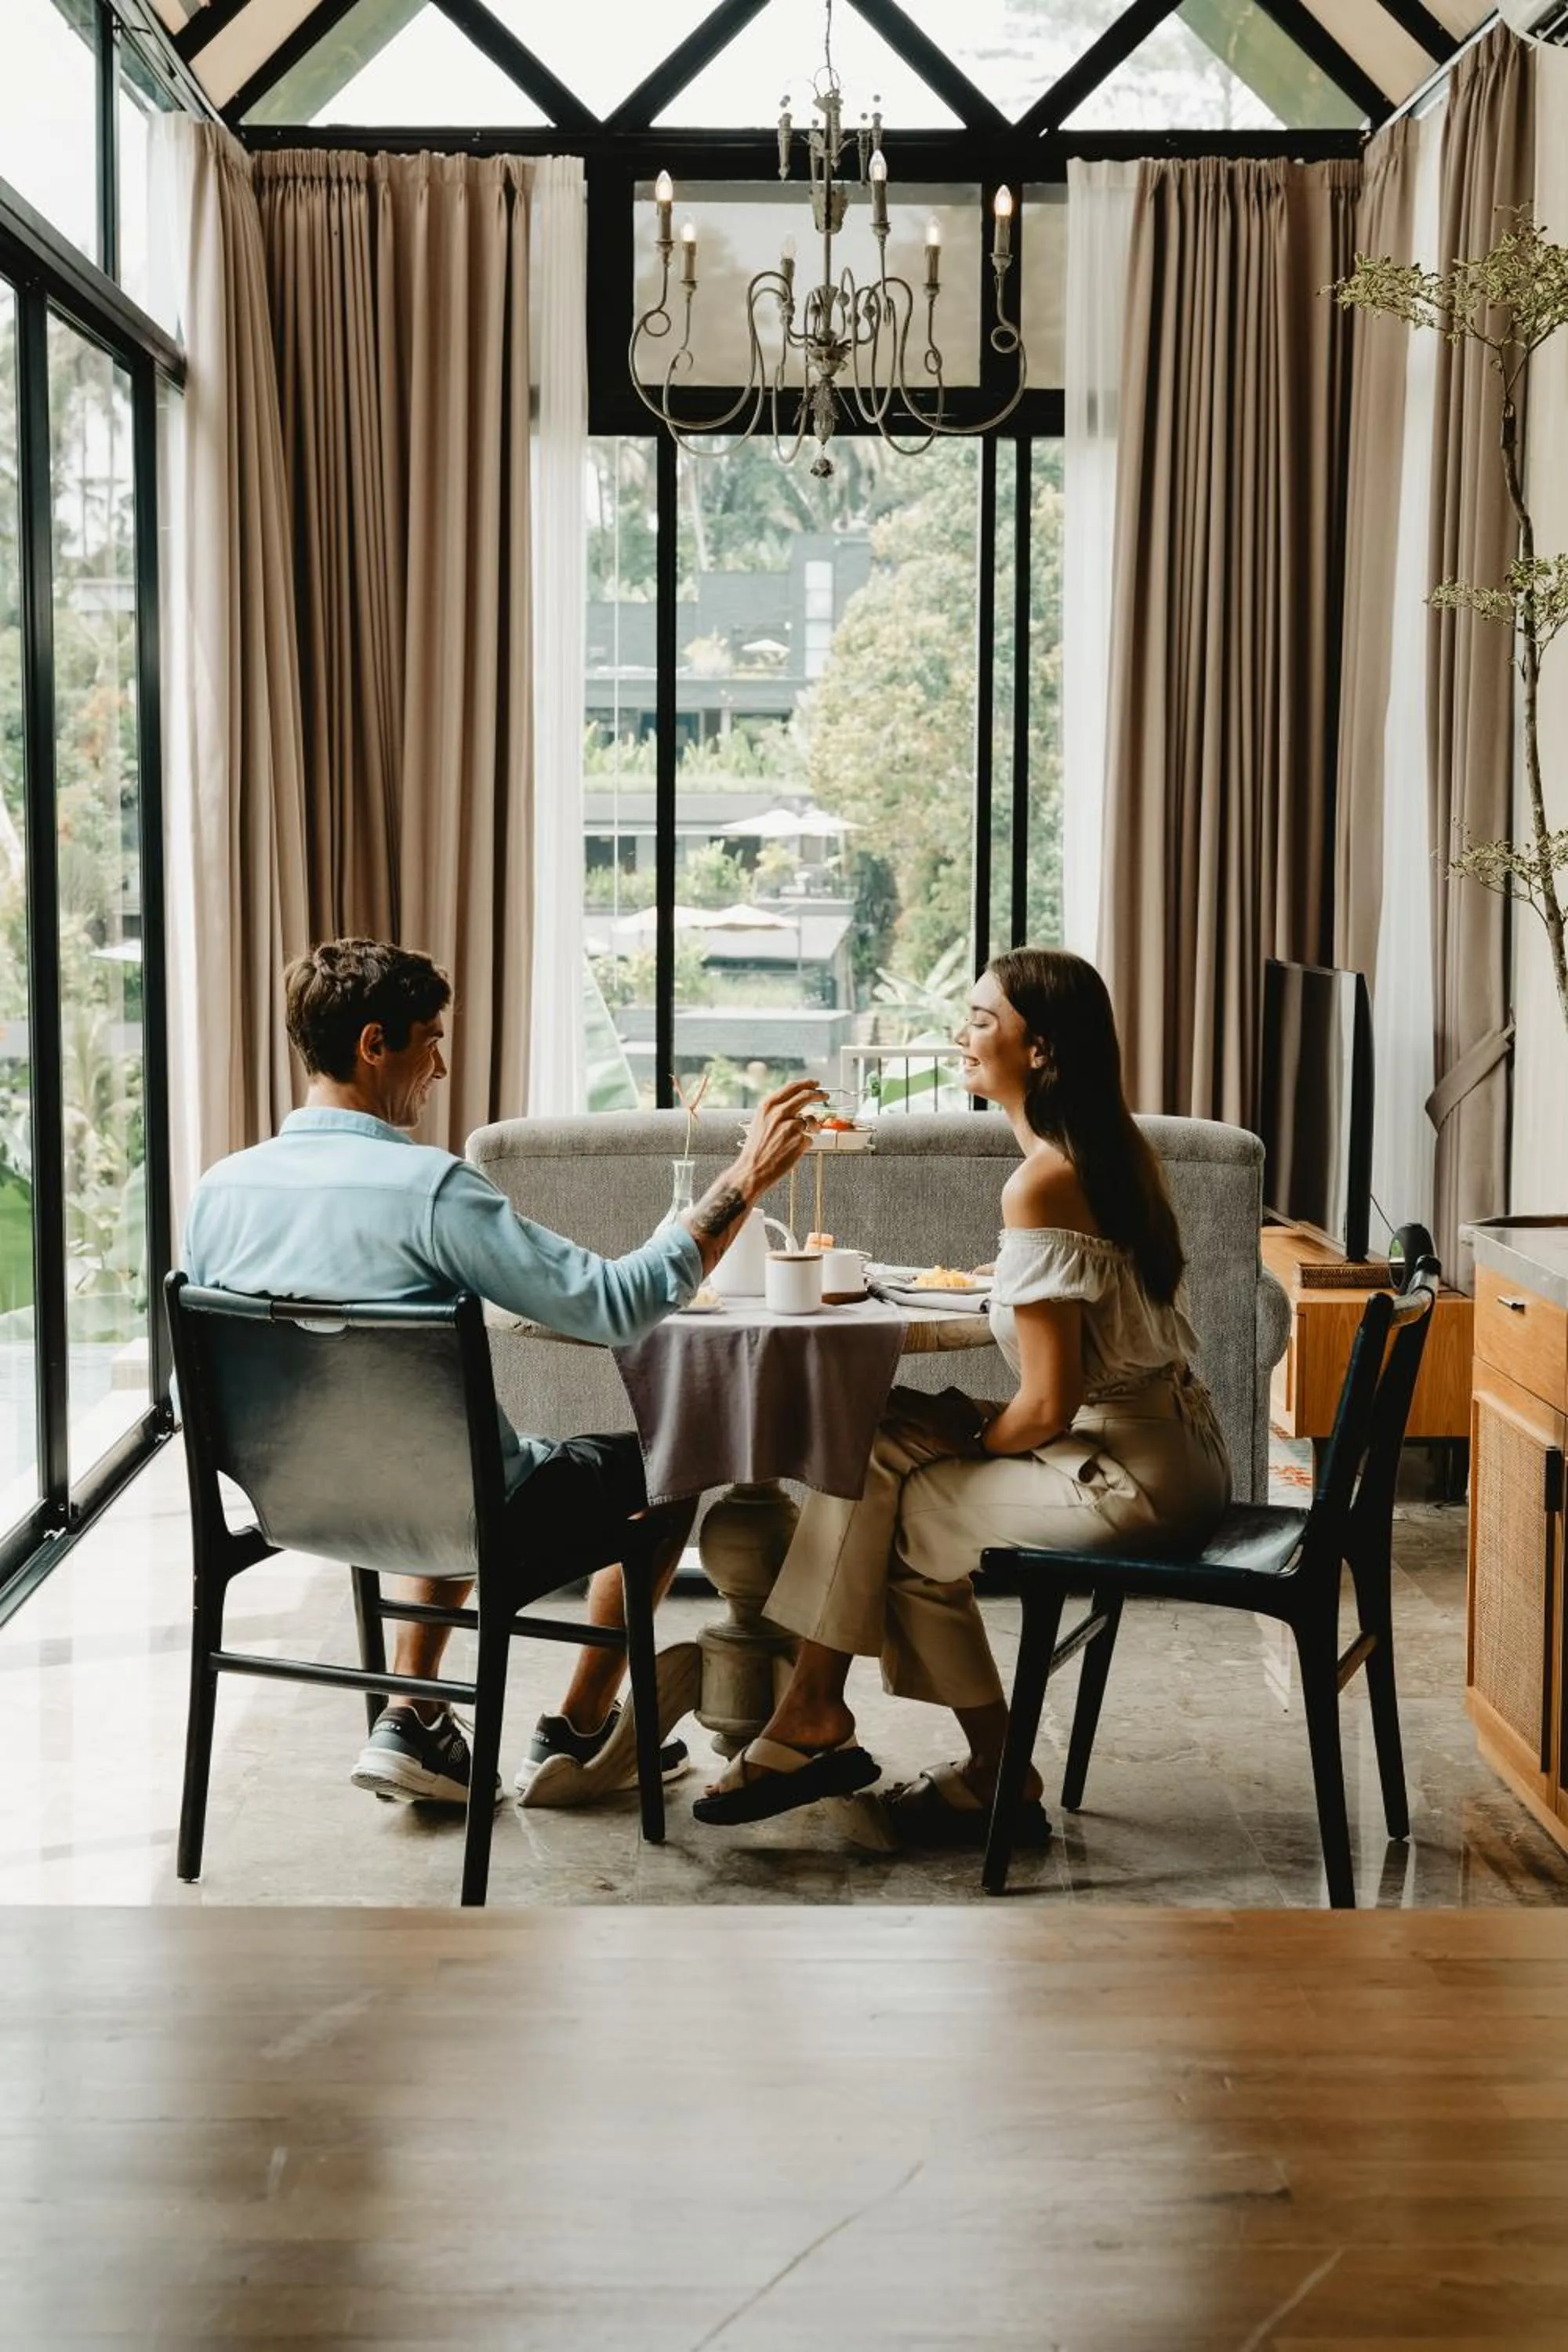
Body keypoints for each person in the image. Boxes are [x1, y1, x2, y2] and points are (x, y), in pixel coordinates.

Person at [182, 938, 821, 1813]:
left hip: (292, 1505)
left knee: (445, 1449)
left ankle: (411, 1717)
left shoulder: (222, 1190)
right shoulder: (430, 1191)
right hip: (450, 1505)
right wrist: (744, 1178)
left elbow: (206, 1392)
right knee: (676, 1457)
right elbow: (613, 1304)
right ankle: (581, 1730)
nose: (440, 1066)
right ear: (375, 1045)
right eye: (429, 1040)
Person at [693, 946, 1232, 1848]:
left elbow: (1047, 1408)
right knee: (873, 1439)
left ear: (1042, 1051)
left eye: (982, 1020)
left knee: (891, 1499)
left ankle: (875, 1733)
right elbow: (1091, 1307)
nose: (960, 1034)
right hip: (1178, 1450)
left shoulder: (1043, 1182)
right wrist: (977, 1356)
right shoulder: (1111, 1155)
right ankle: (869, 1730)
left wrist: (969, 1428)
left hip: (1128, 1477)